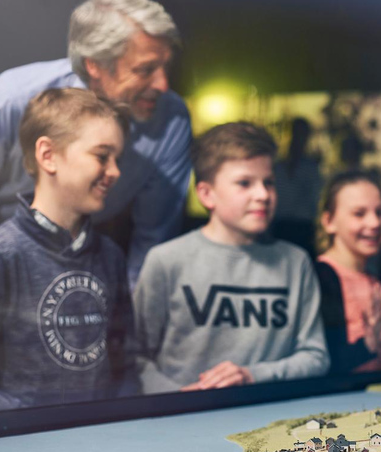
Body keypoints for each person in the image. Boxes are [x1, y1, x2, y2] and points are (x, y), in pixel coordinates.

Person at [0, 0, 192, 286]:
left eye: (166, 67)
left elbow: (153, 238)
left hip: (83, 255)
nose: (163, 85)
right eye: (145, 69)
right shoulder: (7, 101)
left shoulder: (170, 119)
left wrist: (128, 318)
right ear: (95, 65)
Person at [0, 88, 139, 413]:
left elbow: (124, 363)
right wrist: (33, 424)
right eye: (101, 156)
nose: (115, 171)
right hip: (24, 450)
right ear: (48, 155)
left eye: (117, 159)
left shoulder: (110, 256)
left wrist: (118, 421)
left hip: (100, 443)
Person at [134, 122, 329, 393]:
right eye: (244, 183)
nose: (262, 195)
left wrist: (252, 376)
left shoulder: (295, 262)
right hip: (181, 422)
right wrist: (177, 398)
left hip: (267, 418)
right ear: (206, 194)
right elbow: (135, 358)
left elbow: (315, 357)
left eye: (269, 182)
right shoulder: (167, 261)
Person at [315, 170, 381, 374]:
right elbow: (322, 363)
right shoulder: (319, 278)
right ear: (329, 222)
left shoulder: (374, 279)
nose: (374, 223)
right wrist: (367, 345)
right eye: (359, 214)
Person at [271, 117, 323, 258]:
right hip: (279, 227)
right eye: (295, 132)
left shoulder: (311, 168)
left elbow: (315, 200)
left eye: (302, 134)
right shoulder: (276, 166)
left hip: (303, 228)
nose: (298, 138)